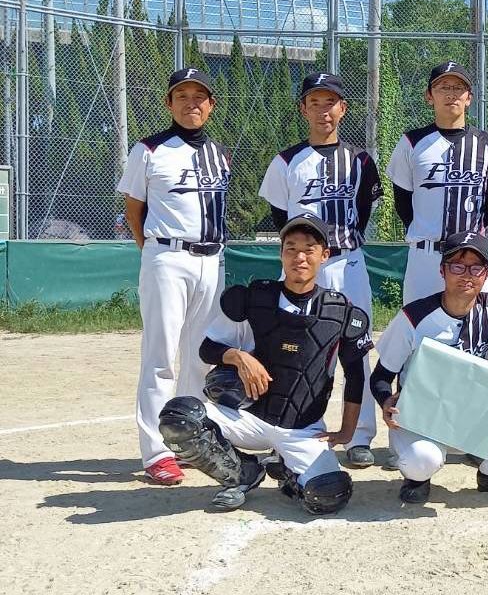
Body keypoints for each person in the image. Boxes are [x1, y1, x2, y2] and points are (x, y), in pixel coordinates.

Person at [158, 214, 369, 514]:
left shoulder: (341, 311)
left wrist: (347, 432)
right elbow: (207, 349)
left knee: (328, 495)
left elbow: (356, 374)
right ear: (281, 254)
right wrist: (238, 356)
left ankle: (287, 469)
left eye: (308, 249)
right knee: (179, 419)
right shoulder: (254, 299)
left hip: (302, 429)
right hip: (247, 417)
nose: (299, 257)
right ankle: (242, 473)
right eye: (291, 248)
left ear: (324, 255)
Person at [258, 71, 383, 469]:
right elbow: (281, 218)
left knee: (356, 346)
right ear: (303, 109)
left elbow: (363, 211)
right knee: (292, 346)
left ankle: (359, 435)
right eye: (314, 102)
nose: (323, 110)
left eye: (330, 102)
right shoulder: (286, 161)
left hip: (347, 261)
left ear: (343, 108)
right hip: (302, 265)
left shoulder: (361, 160)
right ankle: (286, 431)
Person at [370, 231, 488, 504]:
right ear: (442, 270)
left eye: (476, 268)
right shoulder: (414, 316)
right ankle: (417, 478)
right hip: (421, 420)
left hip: (469, 417)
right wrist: (385, 401)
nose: (467, 275)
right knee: (422, 460)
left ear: (486, 274)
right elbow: (380, 377)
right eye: (457, 266)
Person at [116, 67, 229, 485]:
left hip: (212, 259)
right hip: (167, 255)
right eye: (182, 96)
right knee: (160, 356)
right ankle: (157, 453)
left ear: (210, 105)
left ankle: (189, 440)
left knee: (201, 356)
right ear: (169, 103)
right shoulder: (148, 150)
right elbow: (134, 210)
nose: (191, 103)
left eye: (199, 96)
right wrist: (154, 253)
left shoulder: (220, 152)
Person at [386, 61, 488, 305]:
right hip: (426, 256)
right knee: (420, 325)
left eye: (458, 88)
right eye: (443, 87)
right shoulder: (411, 142)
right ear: (429, 96)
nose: (451, 94)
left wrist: (478, 242)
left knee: (476, 325)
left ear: (469, 98)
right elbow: (402, 201)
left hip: (473, 258)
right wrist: (425, 230)